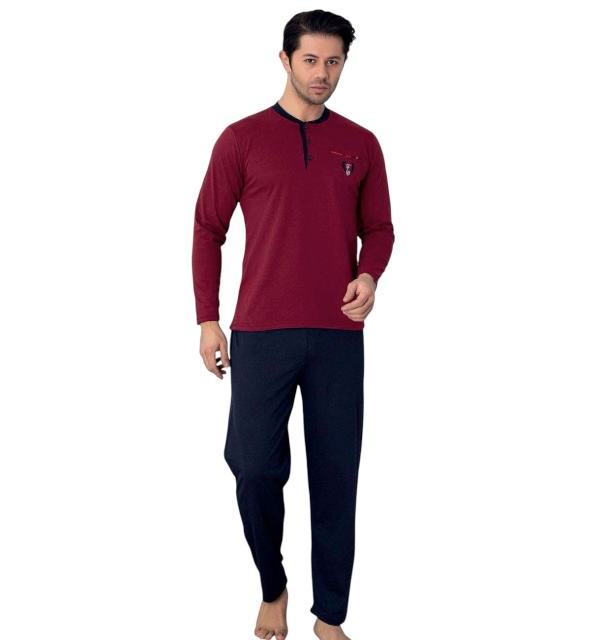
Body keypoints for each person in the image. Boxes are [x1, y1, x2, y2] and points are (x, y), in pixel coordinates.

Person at [191, 10, 395, 640]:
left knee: (336, 475)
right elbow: (208, 229)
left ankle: (330, 615)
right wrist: (207, 319)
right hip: (260, 331)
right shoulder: (241, 138)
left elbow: (380, 229)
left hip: (338, 336)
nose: (322, 73)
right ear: (284, 60)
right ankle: (272, 585)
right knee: (252, 465)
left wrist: (370, 275)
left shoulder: (361, 143)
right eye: (310, 60)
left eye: (333, 61)